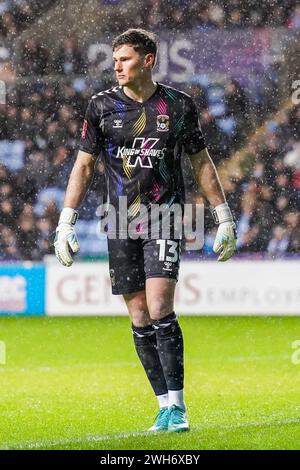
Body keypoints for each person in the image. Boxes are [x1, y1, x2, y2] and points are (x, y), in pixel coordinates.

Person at [54, 29, 236, 433]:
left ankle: (179, 406)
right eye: (115, 59)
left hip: (165, 217)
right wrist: (65, 221)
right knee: (138, 315)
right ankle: (162, 406)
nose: (116, 65)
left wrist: (223, 216)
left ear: (148, 60)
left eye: (125, 58)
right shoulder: (101, 106)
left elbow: (201, 163)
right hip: (118, 220)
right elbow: (83, 167)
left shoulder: (178, 105)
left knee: (159, 307)